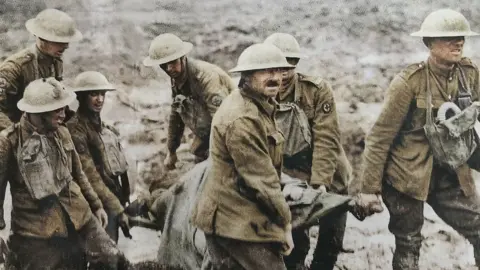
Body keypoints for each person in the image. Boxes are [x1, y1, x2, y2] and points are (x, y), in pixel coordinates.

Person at [356, 9, 480, 269]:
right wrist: (369, 189)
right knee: (409, 243)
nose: (458, 42)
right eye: (448, 38)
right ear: (429, 43)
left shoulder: (469, 73)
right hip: (407, 176)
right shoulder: (408, 82)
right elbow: (379, 138)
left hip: (451, 173)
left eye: (461, 37)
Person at [0, 77, 131, 269]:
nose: (63, 114)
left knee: (112, 258)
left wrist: (96, 205)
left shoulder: (62, 132)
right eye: (57, 109)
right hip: (36, 232)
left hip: (80, 216)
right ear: (38, 112)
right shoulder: (9, 142)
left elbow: (79, 175)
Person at [191, 43, 295, 270]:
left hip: (230, 217)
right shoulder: (243, 118)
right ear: (247, 76)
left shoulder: (259, 106)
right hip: (236, 222)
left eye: (278, 71)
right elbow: (262, 180)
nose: (275, 77)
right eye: (266, 71)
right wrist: (285, 225)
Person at [264, 32, 352, 270]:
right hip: (289, 168)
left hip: (327, 166)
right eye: (275, 68)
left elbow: (326, 138)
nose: (281, 74)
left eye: (288, 67)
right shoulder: (259, 94)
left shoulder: (316, 90)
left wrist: (320, 181)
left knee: (332, 225)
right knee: (294, 228)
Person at [0, 8, 82, 229]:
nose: (65, 47)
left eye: (66, 42)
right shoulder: (17, 67)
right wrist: (18, 134)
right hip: (15, 131)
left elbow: (57, 99)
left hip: (42, 129)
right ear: (42, 39)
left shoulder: (56, 62)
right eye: (59, 41)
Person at [143, 33, 235, 169]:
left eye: (173, 62)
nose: (169, 69)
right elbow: (176, 115)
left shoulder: (207, 78)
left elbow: (223, 122)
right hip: (206, 136)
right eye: (164, 65)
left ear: (182, 58)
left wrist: (219, 158)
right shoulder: (177, 77)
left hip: (230, 137)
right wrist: (171, 151)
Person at [67, 71, 130, 243]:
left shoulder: (105, 129)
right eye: (94, 94)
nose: (100, 99)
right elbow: (90, 175)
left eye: (102, 94)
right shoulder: (75, 130)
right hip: (93, 205)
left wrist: (123, 201)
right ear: (80, 97)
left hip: (111, 201)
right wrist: (118, 209)